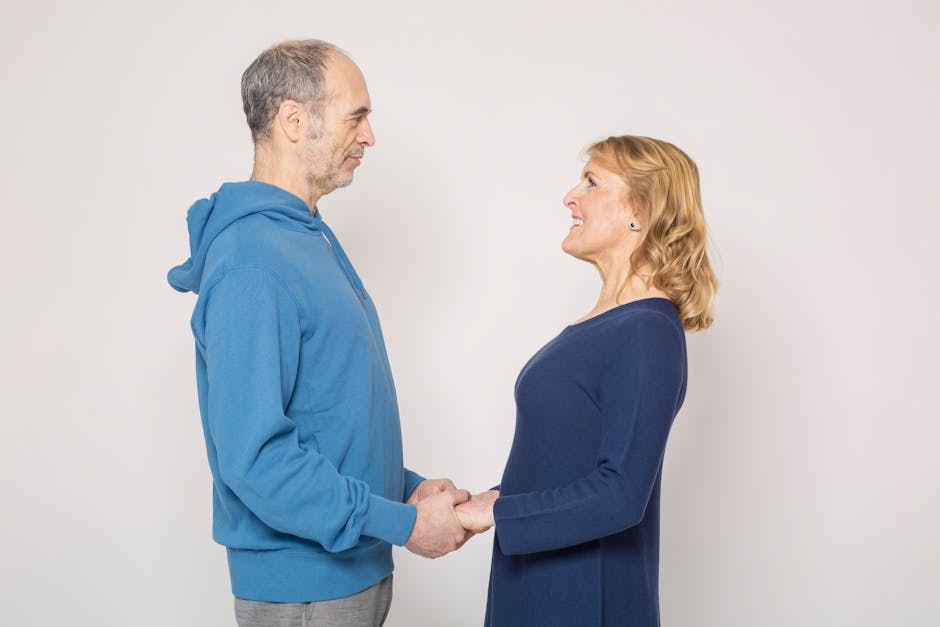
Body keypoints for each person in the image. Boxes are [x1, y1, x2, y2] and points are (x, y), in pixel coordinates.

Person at [167, 39, 469, 627]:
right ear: (293, 119)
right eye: (356, 116)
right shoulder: (254, 260)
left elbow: (323, 418)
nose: (369, 137)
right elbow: (256, 460)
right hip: (304, 590)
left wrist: (402, 490)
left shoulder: (306, 238)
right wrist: (403, 525)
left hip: (347, 574)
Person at [456, 135, 718, 626]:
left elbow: (621, 494)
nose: (570, 197)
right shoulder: (611, 324)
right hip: (537, 582)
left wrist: (498, 515)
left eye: (592, 182)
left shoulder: (645, 331)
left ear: (640, 210)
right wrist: (495, 498)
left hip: (582, 598)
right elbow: (567, 461)